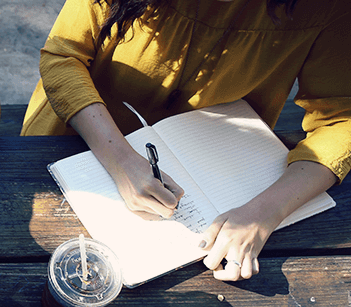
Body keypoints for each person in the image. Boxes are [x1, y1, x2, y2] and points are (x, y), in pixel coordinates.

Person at [22, 0, 350, 281]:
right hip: (74, 137)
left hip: (223, 176)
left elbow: (341, 119)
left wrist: (264, 212)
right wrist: (120, 159)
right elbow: (64, 56)